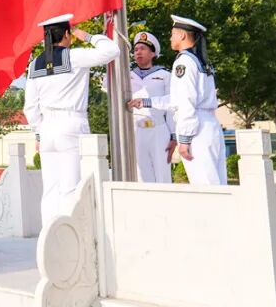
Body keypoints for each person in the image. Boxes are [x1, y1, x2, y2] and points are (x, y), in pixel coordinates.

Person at [24, 14, 120, 225]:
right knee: (70, 188)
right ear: (66, 34)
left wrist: (39, 133)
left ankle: (48, 240)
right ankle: (67, 241)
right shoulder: (74, 56)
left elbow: (30, 106)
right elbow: (112, 51)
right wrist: (85, 35)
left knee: (50, 189)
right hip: (71, 123)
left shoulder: (35, 65)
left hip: (47, 128)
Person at [128, 15, 226, 185]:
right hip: (209, 124)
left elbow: (185, 102)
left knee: (205, 187)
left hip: (196, 127)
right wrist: (146, 102)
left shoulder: (184, 63)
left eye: (172, 33)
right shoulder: (200, 61)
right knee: (217, 183)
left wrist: (184, 140)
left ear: (181, 36)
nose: (170, 38)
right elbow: (179, 98)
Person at [127, 31, 175, 183]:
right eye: (136, 50)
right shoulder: (127, 75)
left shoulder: (164, 75)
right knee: (141, 174)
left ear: (153, 53)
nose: (138, 52)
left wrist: (174, 135)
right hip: (136, 129)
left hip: (159, 129)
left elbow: (171, 106)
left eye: (143, 49)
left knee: (163, 174)